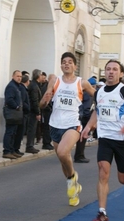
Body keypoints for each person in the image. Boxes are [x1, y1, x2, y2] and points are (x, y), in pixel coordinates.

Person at [81, 59, 124, 221]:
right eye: (108, 69)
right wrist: (88, 126)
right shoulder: (99, 92)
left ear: (121, 73)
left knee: (123, 179)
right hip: (105, 138)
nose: (110, 72)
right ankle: (102, 213)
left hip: (122, 140)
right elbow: (98, 110)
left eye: (114, 69)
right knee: (103, 171)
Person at [39, 52, 95, 207]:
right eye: (64, 62)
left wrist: (100, 109)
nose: (67, 64)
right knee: (63, 160)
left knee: (64, 152)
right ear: (61, 65)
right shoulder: (55, 80)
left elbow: (97, 95)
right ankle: (74, 190)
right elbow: (42, 104)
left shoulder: (81, 82)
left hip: (73, 124)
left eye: (70, 62)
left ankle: (72, 180)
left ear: (75, 66)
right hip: (55, 125)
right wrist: (45, 100)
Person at [74, 77, 95, 163]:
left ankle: (79, 155)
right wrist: (88, 119)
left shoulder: (83, 93)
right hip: (84, 118)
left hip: (80, 117)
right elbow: (87, 107)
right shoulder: (88, 94)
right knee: (82, 138)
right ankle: (79, 156)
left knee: (80, 138)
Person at [2, 70, 23, 159]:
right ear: (13, 76)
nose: (19, 78)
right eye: (17, 76)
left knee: (14, 132)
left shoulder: (16, 86)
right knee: (10, 132)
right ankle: (7, 151)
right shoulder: (11, 86)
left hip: (16, 114)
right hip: (12, 113)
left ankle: (12, 150)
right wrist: (17, 106)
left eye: (20, 76)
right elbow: (9, 99)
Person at [26, 69, 42, 154]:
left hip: (32, 110)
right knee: (31, 129)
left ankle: (30, 145)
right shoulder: (34, 86)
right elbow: (35, 100)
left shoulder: (35, 85)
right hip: (32, 111)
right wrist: (38, 112)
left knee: (33, 128)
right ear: (38, 76)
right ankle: (29, 146)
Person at [14, 74, 31, 156]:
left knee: (20, 132)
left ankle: (16, 149)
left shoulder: (21, 88)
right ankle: (16, 149)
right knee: (19, 132)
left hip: (22, 113)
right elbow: (23, 102)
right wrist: (28, 108)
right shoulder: (23, 89)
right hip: (22, 114)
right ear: (27, 81)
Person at [40, 71, 53, 150]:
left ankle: (48, 142)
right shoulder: (46, 87)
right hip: (47, 111)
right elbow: (44, 99)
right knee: (46, 127)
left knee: (49, 127)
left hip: (50, 110)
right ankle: (46, 143)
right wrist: (48, 108)